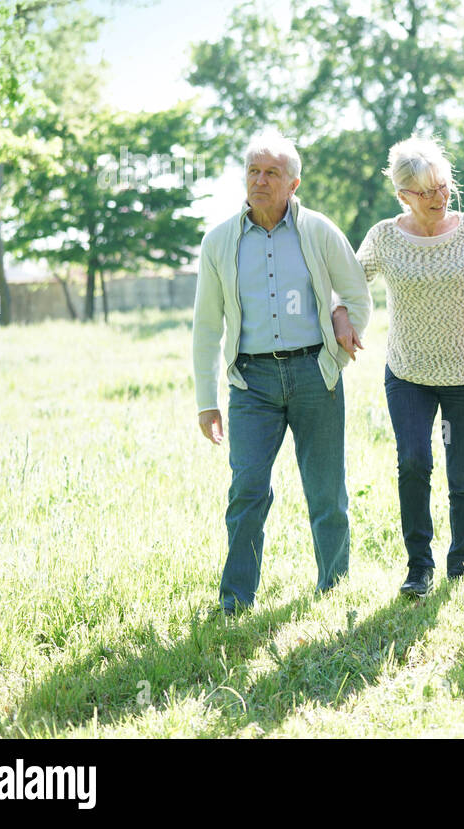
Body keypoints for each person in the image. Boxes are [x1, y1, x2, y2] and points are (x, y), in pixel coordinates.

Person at [332, 137, 464, 598]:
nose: (437, 198)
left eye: (443, 187)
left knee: (462, 472)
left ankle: (462, 566)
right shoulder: (384, 237)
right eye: (425, 191)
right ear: (403, 196)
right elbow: (346, 283)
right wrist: (339, 315)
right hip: (408, 373)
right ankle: (419, 567)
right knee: (413, 462)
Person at [193, 128, 372, 615]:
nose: (260, 180)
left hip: (315, 374)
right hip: (251, 384)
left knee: (326, 490)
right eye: (253, 170)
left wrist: (341, 332)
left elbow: (357, 294)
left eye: (272, 173)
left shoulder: (318, 231)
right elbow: (207, 327)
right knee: (247, 489)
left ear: (293, 184)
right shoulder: (219, 242)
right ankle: (235, 601)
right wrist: (207, 399)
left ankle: (333, 589)